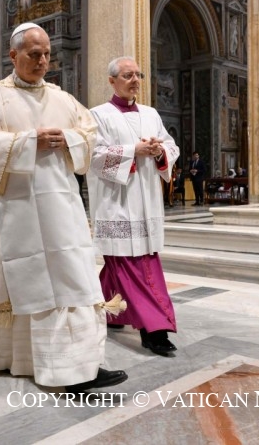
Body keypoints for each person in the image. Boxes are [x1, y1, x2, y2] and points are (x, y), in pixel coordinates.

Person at [0, 22, 128, 394]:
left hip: (62, 208)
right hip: (14, 209)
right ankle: (22, 359)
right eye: (34, 54)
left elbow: (89, 134)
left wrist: (67, 138)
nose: (42, 61)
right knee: (29, 281)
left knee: (73, 279)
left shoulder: (62, 98)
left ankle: (78, 365)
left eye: (47, 54)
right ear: (13, 54)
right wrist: (28, 141)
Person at [87, 56, 180, 357]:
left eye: (138, 75)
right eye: (127, 75)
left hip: (146, 202)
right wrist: (133, 151)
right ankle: (154, 329)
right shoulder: (98, 115)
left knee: (122, 263)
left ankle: (110, 311)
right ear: (112, 80)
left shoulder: (151, 114)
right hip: (117, 203)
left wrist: (159, 151)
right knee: (133, 265)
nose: (135, 80)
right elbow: (93, 156)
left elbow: (172, 146)